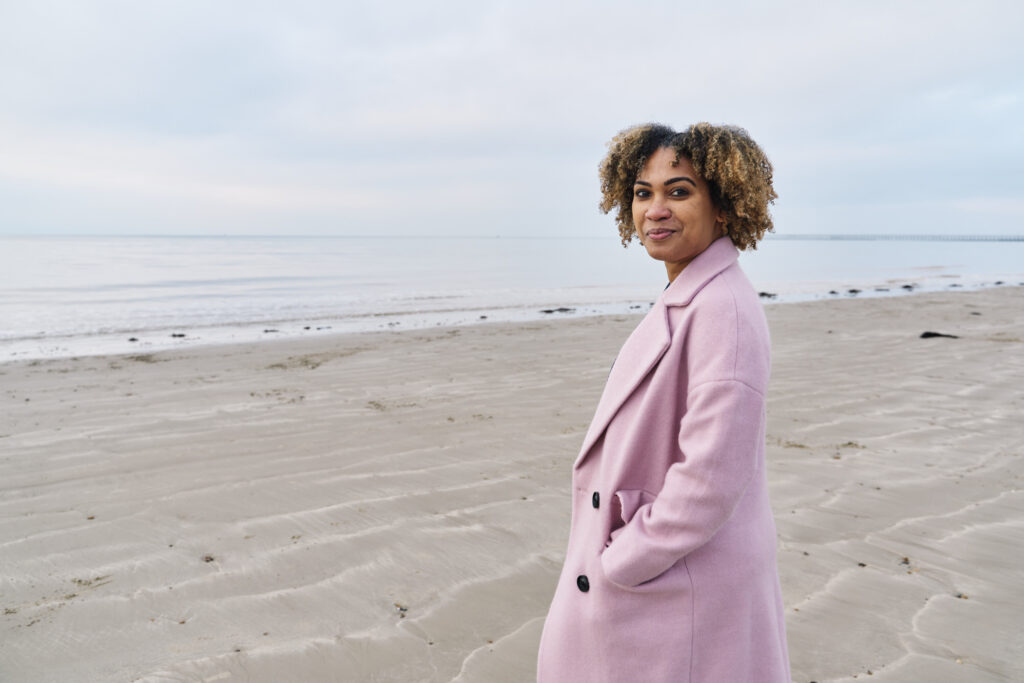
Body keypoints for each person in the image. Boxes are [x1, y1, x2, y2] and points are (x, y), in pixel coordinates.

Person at [537, 123, 790, 682]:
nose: (656, 209)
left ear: (723, 206)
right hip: (673, 579)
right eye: (643, 192)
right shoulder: (692, 293)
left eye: (679, 191)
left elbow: (711, 476)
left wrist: (626, 560)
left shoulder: (721, 307)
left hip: (677, 586)